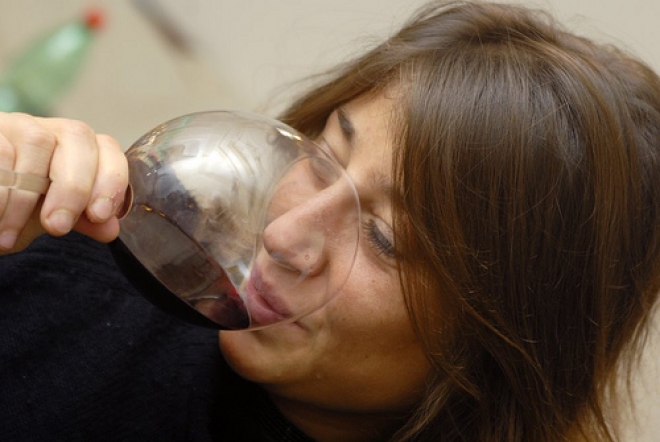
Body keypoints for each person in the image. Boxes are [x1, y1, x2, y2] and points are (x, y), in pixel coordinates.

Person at [1, 1, 659, 440]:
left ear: (502, 348)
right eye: (322, 158)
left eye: (384, 239)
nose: (283, 238)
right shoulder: (78, 274)